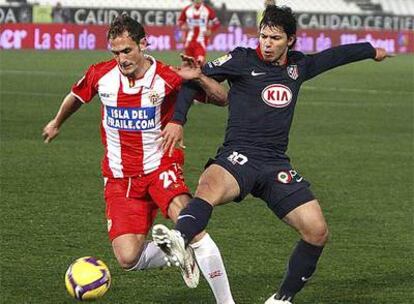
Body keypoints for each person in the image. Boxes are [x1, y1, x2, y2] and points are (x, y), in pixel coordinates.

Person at [152, 5, 391, 304]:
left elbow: (332, 57)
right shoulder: (241, 59)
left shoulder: (298, 67)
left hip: (275, 163)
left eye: (274, 38)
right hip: (238, 155)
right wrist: (178, 120)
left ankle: (282, 299)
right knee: (208, 188)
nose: (266, 43)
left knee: (317, 231)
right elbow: (191, 79)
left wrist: (371, 50)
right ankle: (180, 238)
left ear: (290, 40)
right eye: (263, 36)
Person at [42, 14, 235, 304]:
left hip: (160, 168)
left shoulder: (168, 77)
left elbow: (223, 99)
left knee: (190, 224)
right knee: (128, 258)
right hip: (120, 178)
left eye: (127, 51)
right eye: (116, 53)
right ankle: (179, 252)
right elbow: (75, 96)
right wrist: (57, 122)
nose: (121, 59)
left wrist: (200, 78)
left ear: (143, 44)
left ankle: (225, 301)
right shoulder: (101, 74)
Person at [178, 0, 220, 65]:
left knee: (199, 62)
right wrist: (183, 26)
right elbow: (180, 21)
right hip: (189, 41)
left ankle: (203, 73)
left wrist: (210, 30)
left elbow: (217, 23)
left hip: (201, 41)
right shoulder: (187, 9)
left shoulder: (207, 10)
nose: (198, 1)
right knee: (187, 63)